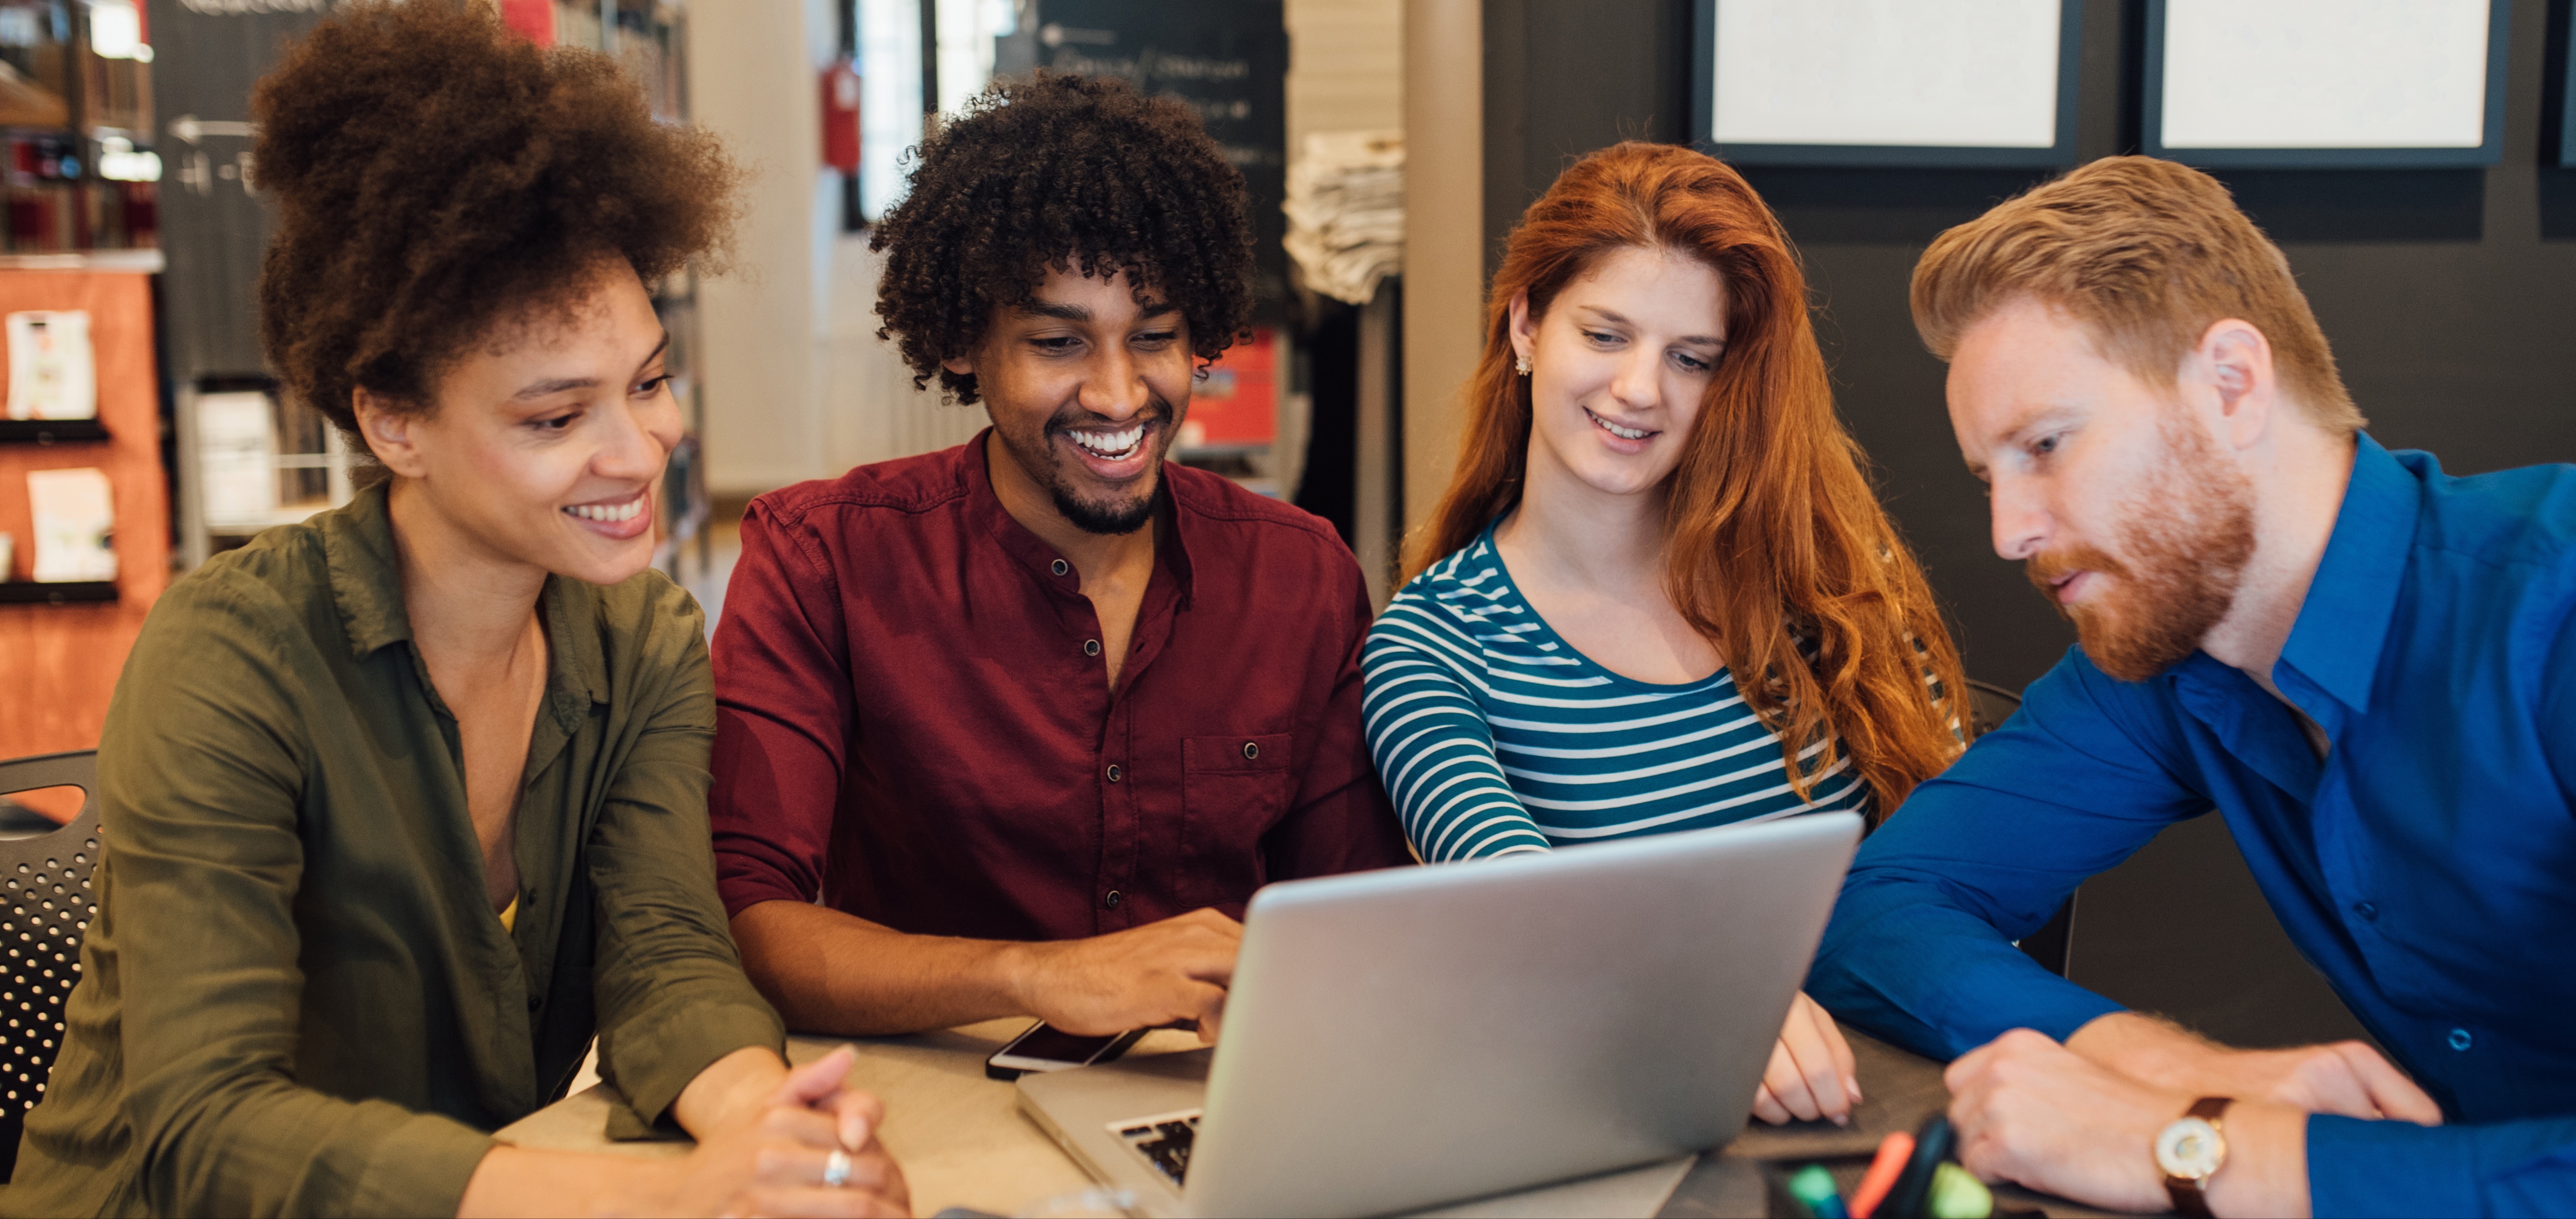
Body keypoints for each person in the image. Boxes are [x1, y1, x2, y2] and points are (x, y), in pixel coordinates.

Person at [3, 7, 909, 1216]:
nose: (637, 452)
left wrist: (767, 1127)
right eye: (554, 418)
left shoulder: (642, 643)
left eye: (647, 382)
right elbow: (206, 1127)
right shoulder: (232, 658)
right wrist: (669, 1200)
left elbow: (664, 953)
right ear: (395, 424)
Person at [1807, 154, 2576, 1217]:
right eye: (1989, 476)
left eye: (2044, 444)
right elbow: (1876, 907)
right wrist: (2148, 1062)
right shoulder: (2166, 652)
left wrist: (2190, 1146)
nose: (2008, 531)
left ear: (2230, 385)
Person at [710, 74, 1406, 1043]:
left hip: (1210, 1111)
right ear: (962, 340)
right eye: (1056, 341)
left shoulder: (1301, 577)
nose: (1120, 396)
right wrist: (1033, 976)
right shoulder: (823, 558)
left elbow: (1355, 925)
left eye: (1154, 337)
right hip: (936, 1106)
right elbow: (751, 925)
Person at [1360, 142, 1971, 1130]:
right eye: (1604, 335)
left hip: (1900, 1094)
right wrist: (1726, 1004)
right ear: (1524, 325)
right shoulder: (1430, 646)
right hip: (1645, 1123)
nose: (1640, 389)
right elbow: (1517, 907)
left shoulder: (1826, 578)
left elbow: (1959, 853)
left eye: (1691, 358)